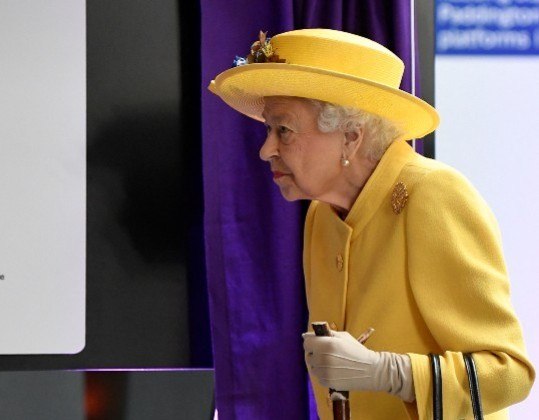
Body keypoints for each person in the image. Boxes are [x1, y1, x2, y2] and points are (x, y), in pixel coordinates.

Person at [208, 28, 534, 419]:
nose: (266, 150)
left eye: (284, 130)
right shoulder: (321, 214)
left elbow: (509, 374)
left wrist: (389, 374)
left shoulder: (432, 195)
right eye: (268, 129)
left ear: (350, 136)